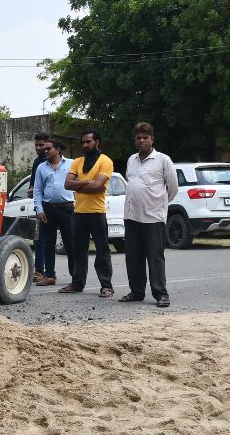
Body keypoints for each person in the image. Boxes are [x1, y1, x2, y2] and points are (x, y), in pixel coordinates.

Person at [119, 122, 178, 307]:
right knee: (133, 257)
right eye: (138, 138)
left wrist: (158, 204)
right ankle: (136, 292)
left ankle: (161, 294)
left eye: (145, 137)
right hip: (131, 216)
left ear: (152, 139)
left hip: (153, 218)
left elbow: (173, 188)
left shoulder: (163, 160)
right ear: (135, 140)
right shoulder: (131, 160)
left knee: (155, 257)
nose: (142, 140)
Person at [60, 130, 115, 297]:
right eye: (83, 142)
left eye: (88, 142)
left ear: (97, 142)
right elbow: (67, 184)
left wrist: (79, 184)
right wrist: (86, 183)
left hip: (97, 213)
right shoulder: (77, 161)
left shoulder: (105, 161)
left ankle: (106, 286)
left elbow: (98, 186)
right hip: (79, 213)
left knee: (102, 251)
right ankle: (77, 284)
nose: (85, 145)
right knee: (78, 251)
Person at [31, 139, 75, 286]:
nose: (46, 151)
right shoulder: (41, 168)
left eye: (49, 148)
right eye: (45, 149)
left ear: (58, 150)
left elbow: (78, 184)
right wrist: (39, 209)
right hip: (48, 209)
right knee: (49, 243)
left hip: (67, 208)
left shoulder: (71, 164)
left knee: (70, 243)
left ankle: (75, 276)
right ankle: (50, 276)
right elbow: (37, 190)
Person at [29, 131, 51, 280]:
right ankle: (39, 271)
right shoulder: (37, 162)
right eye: (36, 145)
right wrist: (31, 190)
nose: (38, 148)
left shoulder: (55, 162)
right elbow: (33, 184)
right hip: (40, 206)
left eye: (41, 145)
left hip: (56, 205)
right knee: (39, 239)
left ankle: (73, 274)